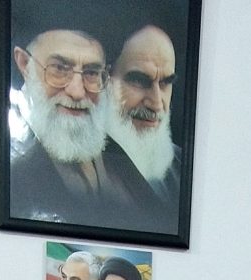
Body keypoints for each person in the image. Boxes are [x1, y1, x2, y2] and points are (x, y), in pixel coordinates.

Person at [10, 28, 165, 231]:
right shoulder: (13, 171)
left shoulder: (112, 153)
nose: (77, 91)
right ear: (24, 64)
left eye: (91, 73)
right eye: (59, 68)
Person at [105, 25, 182, 208]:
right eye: (140, 80)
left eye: (165, 83)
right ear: (104, 79)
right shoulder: (80, 171)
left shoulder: (183, 166)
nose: (156, 103)